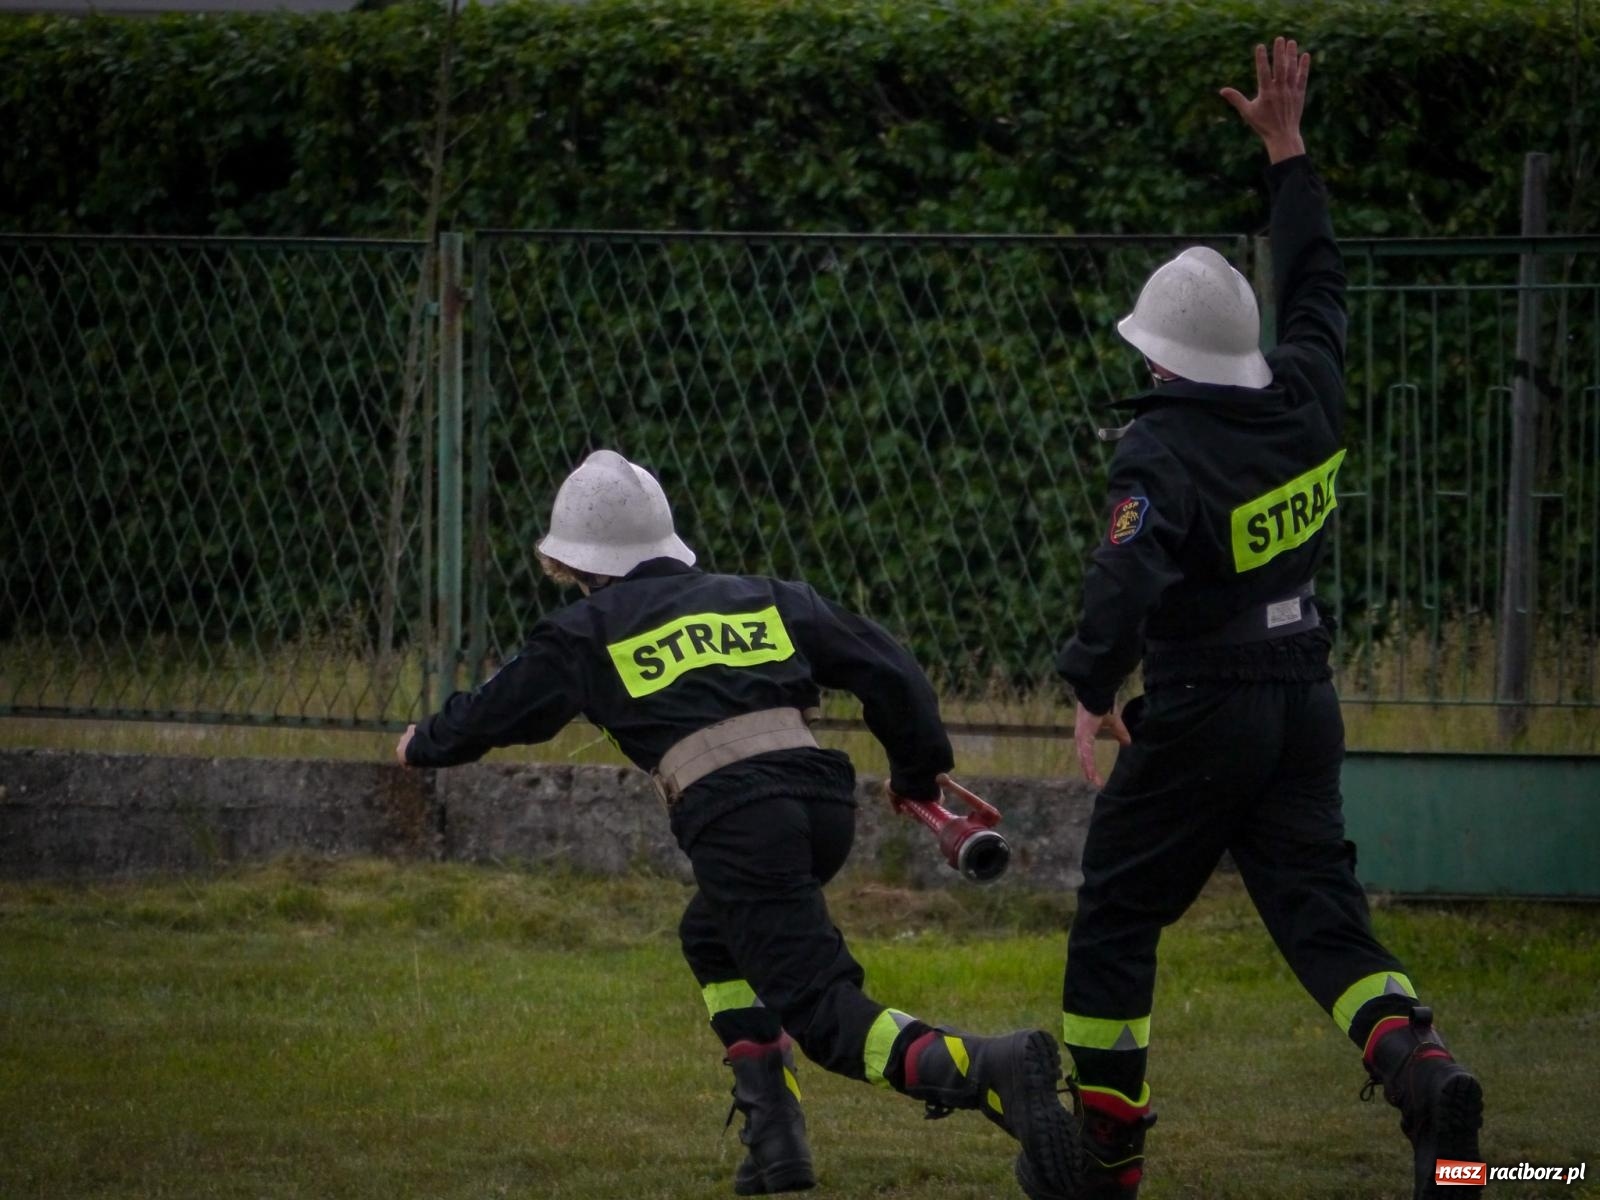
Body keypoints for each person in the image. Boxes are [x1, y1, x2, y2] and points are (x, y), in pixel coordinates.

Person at [397, 448, 1080, 1198]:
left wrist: (421, 743)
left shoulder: (582, 632)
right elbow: (891, 669)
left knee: (824, 1013)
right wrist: (917, 775)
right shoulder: (762, 596)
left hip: (737, 819)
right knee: (712, 935)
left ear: (575, 566)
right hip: (821, 807)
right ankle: (776, 1140)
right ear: (668, 544)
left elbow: (495, 714)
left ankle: (988, 1069)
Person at [1053, 38, 1483, 1200]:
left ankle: (1108, 1156)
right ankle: (1421, 1069)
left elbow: (1126, 580)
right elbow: (1320, 281)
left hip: (1202, 708)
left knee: (1115, 920)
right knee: (1316, 914)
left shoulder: (1161, 447)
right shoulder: (1304, 392)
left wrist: (1092, 688)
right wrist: (1288, 155)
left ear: (1163, 360)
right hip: (1305, 697)